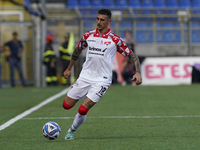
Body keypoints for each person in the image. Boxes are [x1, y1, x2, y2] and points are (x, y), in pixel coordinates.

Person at [62, 9, 142, 140]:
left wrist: (138, 72)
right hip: (85, 77)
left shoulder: (115, 40)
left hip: (102, 80)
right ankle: (86, 95)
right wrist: (69, 68)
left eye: (102, 20)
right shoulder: (88, 35)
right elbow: (77, 51)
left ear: (109, 21)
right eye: (97, 19)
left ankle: (71, 130)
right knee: (66, 106)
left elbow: (132, 54)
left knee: (82, 110)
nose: (99, 22)